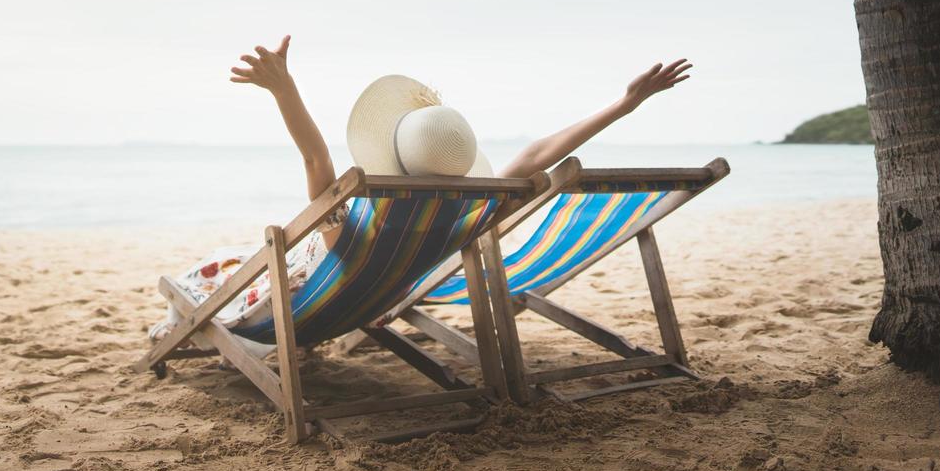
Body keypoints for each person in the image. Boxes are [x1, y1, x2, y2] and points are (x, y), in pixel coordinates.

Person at [147, 35, 691, 342]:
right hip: (368, 300)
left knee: (219, 266)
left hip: (284, 312)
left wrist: (283, 88)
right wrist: (625, 105)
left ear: (391, 154)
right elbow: (536, 155)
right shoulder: (471, 208)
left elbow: (314, 155)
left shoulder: (350, 216)